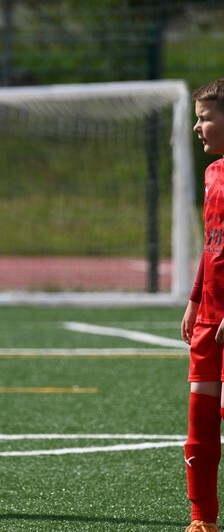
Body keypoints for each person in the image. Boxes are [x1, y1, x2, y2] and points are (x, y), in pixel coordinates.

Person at [181, 79, 224, 532]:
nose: (198, 127)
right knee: (200, 422)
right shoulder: (213, 173)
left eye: (205, 118)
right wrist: (196, 300)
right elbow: (213, 245)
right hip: (211, 318)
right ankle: (202, 521)